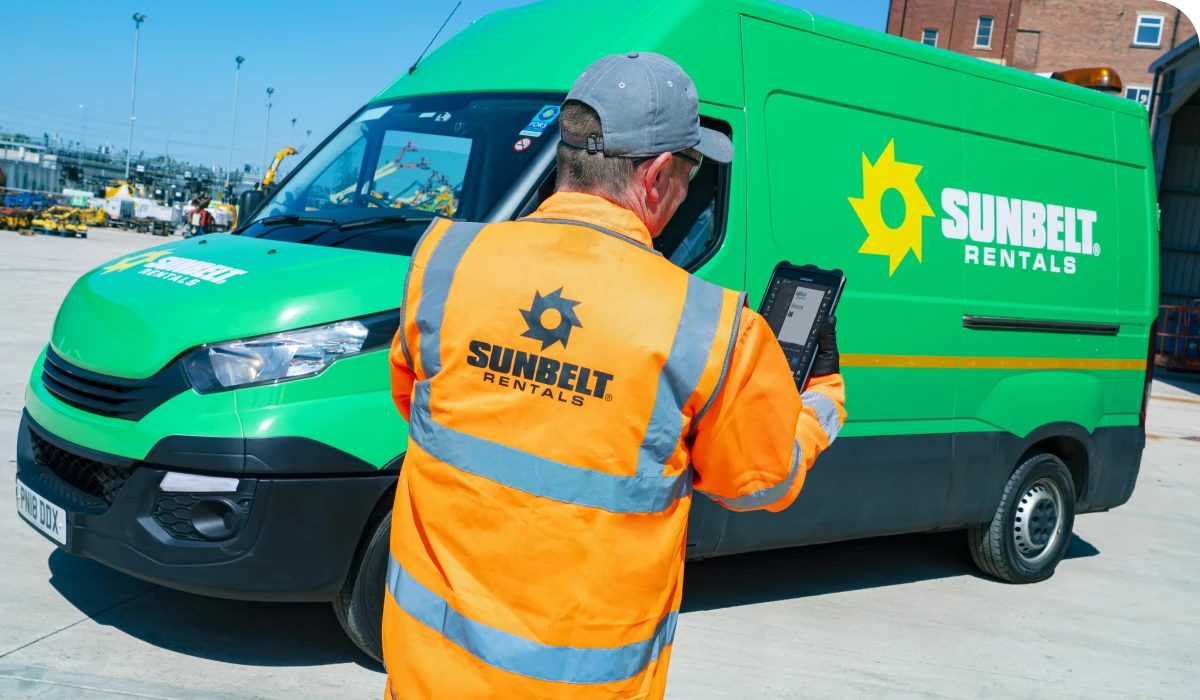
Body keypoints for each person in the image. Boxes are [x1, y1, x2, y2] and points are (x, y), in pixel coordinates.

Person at [384, 52, 846, 699]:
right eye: (690, 173)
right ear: (657, 177)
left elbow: (418, 405)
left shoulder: (444, 263)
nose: (687, 190)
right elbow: (760, 482)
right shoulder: (707, 326)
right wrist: (819, 401)